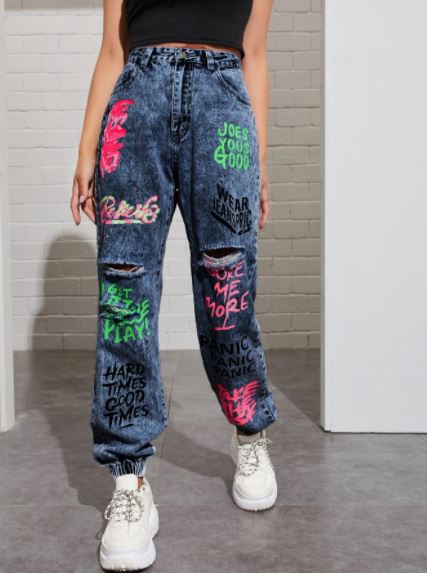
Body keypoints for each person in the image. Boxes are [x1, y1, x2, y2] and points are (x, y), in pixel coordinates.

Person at [71, 0, 277, 570]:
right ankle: (129, 480)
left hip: (223, 105)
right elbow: (113, 51)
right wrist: (86, 149)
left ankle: (249, 431)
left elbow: (255, 55)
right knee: (125, 292)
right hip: (138, 105)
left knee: (228, 283)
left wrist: (258, 162)